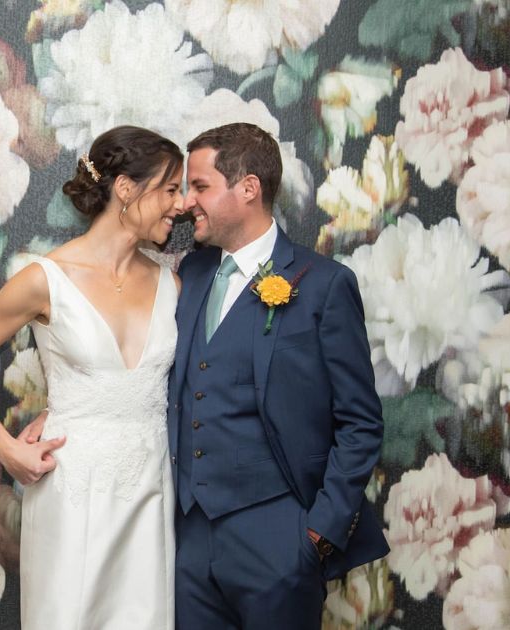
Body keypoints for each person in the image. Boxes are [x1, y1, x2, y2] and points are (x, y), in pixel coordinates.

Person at [0, 125, 186, 630]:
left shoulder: (173, 284)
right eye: (170, 189)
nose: (180, 204)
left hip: (149, 491)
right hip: (71, 491)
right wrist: (5, 447)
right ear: (126, 188)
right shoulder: (45, 279)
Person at [168, 122, 389, 629]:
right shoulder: (190, 275)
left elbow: (360, 422)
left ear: (248, 188)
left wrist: (317, 534)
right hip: (191, 539)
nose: (185, 202)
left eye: (199, 186)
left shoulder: (325, 285)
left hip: (280, 537)